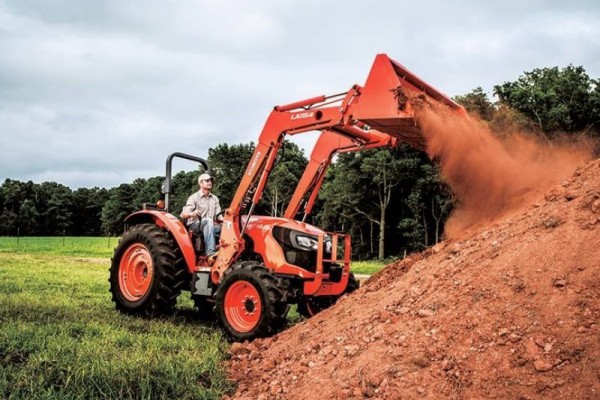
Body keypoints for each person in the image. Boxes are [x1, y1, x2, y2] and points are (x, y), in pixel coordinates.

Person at [180, 173, 222, 257]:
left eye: (211, 181)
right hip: (195, 226)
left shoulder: (215, 199)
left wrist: (227, 221)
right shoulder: (194, 197)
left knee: (228, 227)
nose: (210, 182)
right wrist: (192, 213)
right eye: (207, 180)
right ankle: (210, 253)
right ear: (201, 183)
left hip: (211, 226)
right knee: (208, 221)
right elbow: (183, 214)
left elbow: (218, 216)